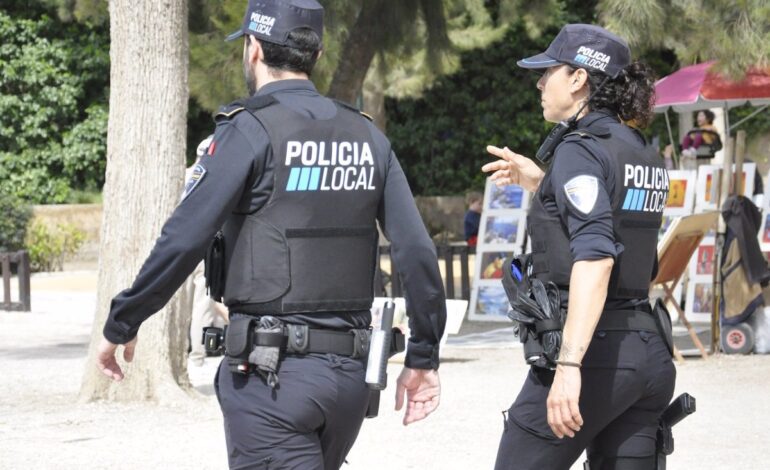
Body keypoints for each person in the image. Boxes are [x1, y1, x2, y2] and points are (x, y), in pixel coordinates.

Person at [95, 1, 447, 468]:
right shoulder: (368, 137)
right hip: (349, 381)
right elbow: (416, 250)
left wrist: (124, 319)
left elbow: (184, 238)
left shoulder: (247, 129)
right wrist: (423, 354)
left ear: (254, 48)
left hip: (271, 380)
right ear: (316, 56)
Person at [483, 24, 675, 469]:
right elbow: (617, 224)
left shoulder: (579, 149)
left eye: (547, 71)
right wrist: (543, 183)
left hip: (596, 356)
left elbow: (596, 258)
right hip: (646, 350)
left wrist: (569, 367)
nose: (538, 83)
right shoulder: (641, 151)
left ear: (578, 78)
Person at [185, 135, 228, 368]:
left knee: (181, 300)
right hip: (203, 245)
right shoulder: (213, 177)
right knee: (202, 303)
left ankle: (180, 346)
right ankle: (197, 355)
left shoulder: (183, 175)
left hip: (180, 246)